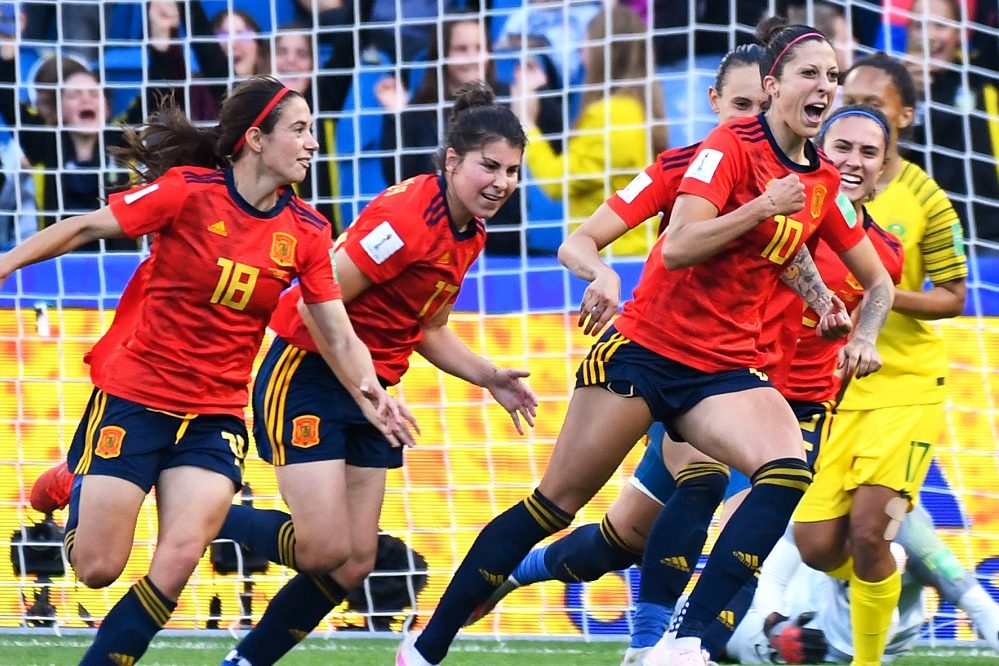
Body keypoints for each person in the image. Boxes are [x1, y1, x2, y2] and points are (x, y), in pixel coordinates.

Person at [397, 17, 896, 666]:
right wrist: (609, 267)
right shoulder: (717, 154)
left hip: (725, 372)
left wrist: (848, 321)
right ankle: (425, 647)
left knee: (783, 473)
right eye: (809, 74)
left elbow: (860, 275)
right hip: (645, 353)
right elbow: (681, 243)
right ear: (756, 95)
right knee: (557, 507)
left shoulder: (815, 180)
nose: (824, 87)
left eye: (832, 76)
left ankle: (683, 644)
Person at [0, 75, 411, 665]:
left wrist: (377, 396)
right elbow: (87, 227)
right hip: (137, 398)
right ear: (255, 138)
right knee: (96, 570)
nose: (311, 144)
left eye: (312, 132)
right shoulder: (187, 192)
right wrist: (8, 261)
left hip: (215, 414)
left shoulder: (309, 231)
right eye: (298, 130)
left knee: (178, 558)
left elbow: (339, 334)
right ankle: (75, 478)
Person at [216, 83, 538, 666]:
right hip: (309, 372)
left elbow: (429, 327)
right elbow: (321, 304)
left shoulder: (471, 232)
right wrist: (365, 389)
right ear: (452, 160)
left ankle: (244, 661)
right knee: (322, 548)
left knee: (354, 562)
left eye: (513, 171)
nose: (502, 182)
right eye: (489, 166)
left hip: (373, 393)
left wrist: (487, 374)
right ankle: (192, 503)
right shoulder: (408, 216)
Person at [460, 40, 771, 630]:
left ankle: (519, 573)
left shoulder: (808, 187)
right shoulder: (682, 168)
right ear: (713, 103)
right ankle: (657, 643)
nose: (752, 123)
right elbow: (578, 239)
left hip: (766, 381)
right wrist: (602, 271)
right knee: (707, 485)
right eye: (740, 106)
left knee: (623, 539)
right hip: (678, 364)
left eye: (763, 107)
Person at [793, 50, 969, 666]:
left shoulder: (925, 199)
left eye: (876, 105)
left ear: (902, 119)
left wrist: (884, 298)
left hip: (907, 392)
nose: (861, 112)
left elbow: (955, 295)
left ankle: (869, 654)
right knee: (816, 546)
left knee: (874, 526)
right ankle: (894, 574)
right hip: (829, 393)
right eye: (850, 99)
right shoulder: (804, 195)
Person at [728, 506, 999, 663]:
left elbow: (980, 606)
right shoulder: (821, 505)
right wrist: (775, 626)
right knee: (721, 622)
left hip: (878, 640)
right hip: (812, 620)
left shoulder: (914, 535)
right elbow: (774, 577)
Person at [375, 14, 543, 255]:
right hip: (434, 241)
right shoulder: (418, 109)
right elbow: (400, 179)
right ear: (441, 54)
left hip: (504, 241)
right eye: (461, 49)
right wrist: (398, 118)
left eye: (479, 48)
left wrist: (533, 103)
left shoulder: (513, 96)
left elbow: (558, 144)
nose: (472, 57)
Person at [513, 5, 667, 257]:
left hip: (615, 257)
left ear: (604, 51)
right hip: (627, 253)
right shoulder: (635, 108)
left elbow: (557, 182)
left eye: (586, 43)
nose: (579, 50)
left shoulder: (612, 115)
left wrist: (526, 123)